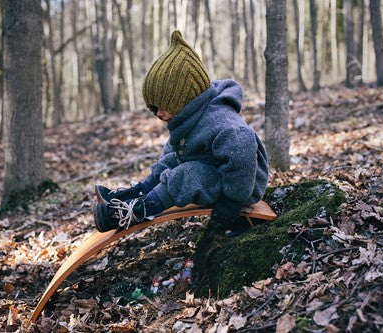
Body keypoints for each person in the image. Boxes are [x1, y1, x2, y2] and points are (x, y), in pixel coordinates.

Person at [93, 30, 268, 234]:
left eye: (162, 106)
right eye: (153, 108)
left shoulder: (224, 124)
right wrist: (153, 179)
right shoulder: (189, 116)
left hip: (241, 186)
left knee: (186, 175)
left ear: (183, 99)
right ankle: (138, 192)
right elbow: (173, 154)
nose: (158, 113)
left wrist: (232, 202)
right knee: (171, 160)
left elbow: (242, 158)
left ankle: (139, 210)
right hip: (213, 170)